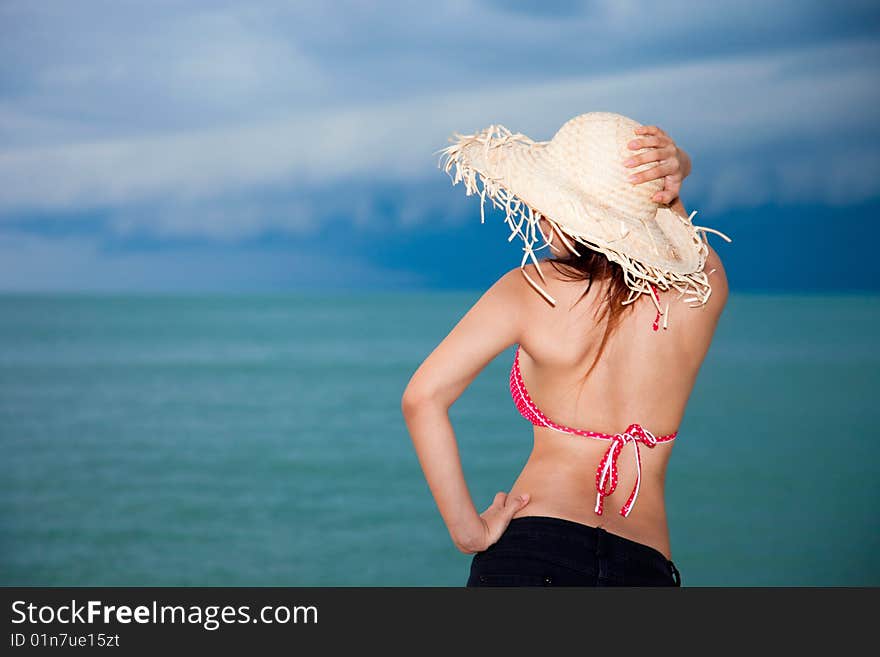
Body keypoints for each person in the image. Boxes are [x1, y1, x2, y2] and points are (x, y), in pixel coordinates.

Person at [401, 112, 731, 587]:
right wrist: (673, 165)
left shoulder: (533, 290)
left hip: (532, 552)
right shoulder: (702, 290)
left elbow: (422, 398)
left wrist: (468, 532)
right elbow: (677, 218)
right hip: (643, 566)